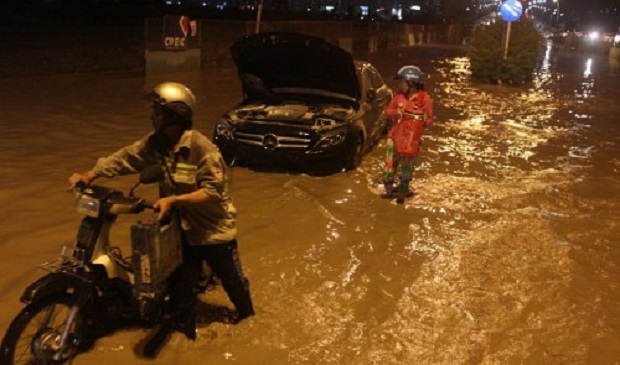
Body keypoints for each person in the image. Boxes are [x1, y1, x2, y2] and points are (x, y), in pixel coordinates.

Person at [68, 82, 255, 340]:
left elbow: (212, 192)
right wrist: (91, 173)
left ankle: (248, 320)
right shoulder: (156, 144)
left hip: (212, 230)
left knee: (233, 281)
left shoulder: (203, 149)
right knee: (181, 287)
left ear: (174, 116)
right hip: (180, 229)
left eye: (157, 112)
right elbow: (126, 157)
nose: (151, 116)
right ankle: (185, 336)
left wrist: (174, 200)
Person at [382, 65, 434, 204]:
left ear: (411, 83)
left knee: (407, 168)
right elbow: (388, 111)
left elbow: (429, 120)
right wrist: (397, 112)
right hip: (394, 139)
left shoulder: (425, 100)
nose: (400, 85)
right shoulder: (398, 98)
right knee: (390, 165)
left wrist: (424, 118)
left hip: (411, 141)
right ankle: (388, 190)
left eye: (402, 82)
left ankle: (402, 191)